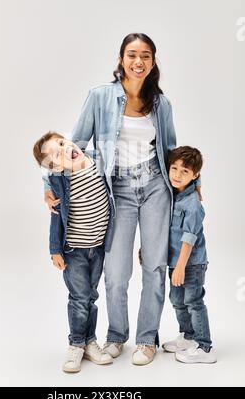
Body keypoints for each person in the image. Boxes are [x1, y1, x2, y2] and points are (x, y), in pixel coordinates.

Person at [43, 33, 201, 365]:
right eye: (132, 55)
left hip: (157, 186)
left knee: (155, 266)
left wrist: (191, 185)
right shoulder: (100, 97)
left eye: (145, 56)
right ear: (121, 59)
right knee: (116, 271)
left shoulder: (162, 104)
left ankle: (146, 340)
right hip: (118, 190)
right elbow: (74, 147)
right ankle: (116, 336)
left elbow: (170, 152)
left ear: (153, 62)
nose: (138, 61)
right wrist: (49, 182)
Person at [33, 131, 114, 373]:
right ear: (55, 167)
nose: (64, 149)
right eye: (57, 154)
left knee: (91, 296)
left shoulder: (98, 160)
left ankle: (91, 342)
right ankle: (77, 344)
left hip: (98, 247)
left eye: (61, 143)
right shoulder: (59, 181)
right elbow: (56, 218)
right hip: (74, 251)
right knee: (79, 299)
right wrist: (55, 250)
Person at [162, 146, 216, 363]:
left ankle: (205, 347)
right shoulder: (174, 193)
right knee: (177, 300)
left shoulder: (192, 204)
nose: (177, 174)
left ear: (195, 175)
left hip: (191, 263)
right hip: (176, 262)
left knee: (193, 301)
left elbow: (188, 239)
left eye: (184, 171)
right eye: (174, 168)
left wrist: (181, 267)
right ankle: (188, 336)